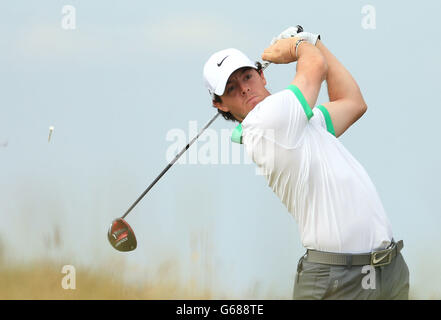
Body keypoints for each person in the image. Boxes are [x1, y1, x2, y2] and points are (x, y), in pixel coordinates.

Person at [202, 27, 410, 300]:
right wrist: (300, 45)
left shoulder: (298, 123)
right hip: (338, 279)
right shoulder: (265, 122)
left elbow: (352, 102)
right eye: (231, 88)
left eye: (247, 76)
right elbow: (314, 66)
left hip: (386, 268)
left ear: (261, 75)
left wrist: (314, 42)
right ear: (221, 105)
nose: (244, 88)